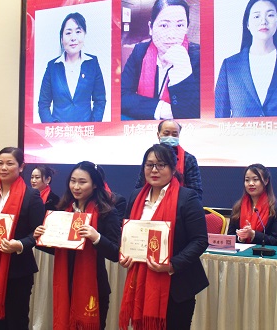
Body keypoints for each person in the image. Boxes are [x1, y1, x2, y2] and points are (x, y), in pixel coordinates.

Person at [119, 144, 208, 330]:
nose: (154, 170)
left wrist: (172, 265)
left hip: (177, 285)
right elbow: (127, 233)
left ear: (173, 168)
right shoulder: (136, 196)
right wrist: (125, 254)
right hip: (141, 281)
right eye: (149, 165)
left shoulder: (187, 198)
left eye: (161, 165)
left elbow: (200, 241)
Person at [34, 161, 121, 329]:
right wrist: (41, 239)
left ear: (95, 184)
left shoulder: (107, 212)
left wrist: (97, 238)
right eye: (73, 181)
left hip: (94, 286)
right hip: (65, 283)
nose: (76, 187)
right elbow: (59, 248)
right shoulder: (63, 210)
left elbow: (115, 253)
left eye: (82, 182)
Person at [0, 147, 45, 329]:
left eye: (10, 164)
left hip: (18, 269)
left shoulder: (31, 196)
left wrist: (19, 244)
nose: (4, 168)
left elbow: (38, 233)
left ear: (21, 167)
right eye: (0, 163)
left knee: (16, 321)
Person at [215, 0, 277, 118]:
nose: (263, 21)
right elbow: (219, 119)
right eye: (256, 16)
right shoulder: (230, 66)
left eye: (270, 15)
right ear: (247, 24)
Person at [121, 0, 200, 120]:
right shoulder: (140, 51)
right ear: (151, 28)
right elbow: (121, 95)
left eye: (180, 25)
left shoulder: (198, 56)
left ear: (186, 28)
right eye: (164, 25)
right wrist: (162, 109)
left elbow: (195, 114)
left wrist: (183, 71)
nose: (172, 35)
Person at [38, 12, 106, 123]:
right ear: (61, 38)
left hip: (86, 131)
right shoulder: (52, 67)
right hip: (59, 132)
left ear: (84, 34)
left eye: (78, 32)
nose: (73, 38)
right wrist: (53, 127)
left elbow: (100, 100)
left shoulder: (92, 63)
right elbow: (43, 104)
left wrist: (94, 126)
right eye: (68, 33)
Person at [135, 120, 203, 201]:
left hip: (179, 205)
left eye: (174, 134)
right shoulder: (150, 156)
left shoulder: (188, 159)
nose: (170, 137)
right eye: (166, 134)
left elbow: (195, 192)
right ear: (158, 135)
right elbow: (140, 185)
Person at [227, 163, 277, 246]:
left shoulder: (276, 208)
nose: (250, 183)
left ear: (266, 181)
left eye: (255, 179)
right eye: (247, 180)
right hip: (241, 253)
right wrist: (241, 238)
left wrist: (253, 234)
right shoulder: (238, 207)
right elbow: (230, 237)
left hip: (263, 253)